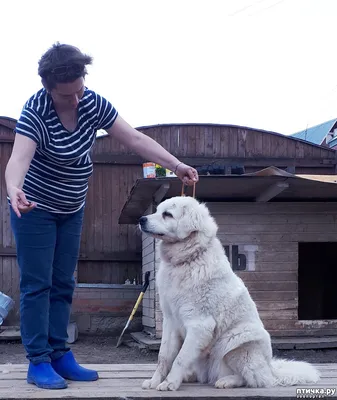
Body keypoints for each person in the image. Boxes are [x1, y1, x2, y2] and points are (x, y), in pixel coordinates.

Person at [5, 42, 199, 390]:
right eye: (68, 96)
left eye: (80, 89)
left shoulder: (92, 102)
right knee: (38, 284)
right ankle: (38, 361)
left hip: (71, 208)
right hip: (32, 208)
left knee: (64, 282)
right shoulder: (35, 111)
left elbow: (135, 139)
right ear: (48, 89)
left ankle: (60, 354)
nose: (77, 100)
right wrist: (13, 189)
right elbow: (18, 159)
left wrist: (176, 164)